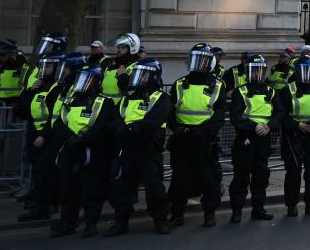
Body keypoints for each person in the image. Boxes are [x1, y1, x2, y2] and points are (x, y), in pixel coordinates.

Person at [50, 65, 120, 238]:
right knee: (67, 189)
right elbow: (59, 123)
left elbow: (102, 127)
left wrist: (82, 139)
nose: (82, 84)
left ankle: (91, 224)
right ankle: (68, 223)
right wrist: (69, 138)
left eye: (87, 80)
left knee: (91, 190)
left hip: (91, 152)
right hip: (70, 149)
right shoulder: (70, 101)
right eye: (81, 79)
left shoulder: (104, 102)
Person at [106, 58, 171, 236]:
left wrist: (129, 129)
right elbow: (114, 120)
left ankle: (160, 220)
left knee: (154, 188)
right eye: (137, 74)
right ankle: (121, 222)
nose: (138, 78)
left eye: (142, 74)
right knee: (122, 188)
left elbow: (152, 122)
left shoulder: (161, 98)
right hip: (127, 149)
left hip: (149, 149)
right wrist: (124, 130)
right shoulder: (127, 99)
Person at [167, 43, 227, 227]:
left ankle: (209, 214)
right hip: (182, 138)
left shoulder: (217, 84)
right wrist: (175, 127)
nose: (198, 64)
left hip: (204, 139)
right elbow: (170, 110)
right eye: (195, 59)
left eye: (202, 60)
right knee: (179, 178)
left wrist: (207, 131)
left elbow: (219, 112)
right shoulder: (179, 83)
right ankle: (177, 214)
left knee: (208, 178)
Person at [16, 49, 66, 222]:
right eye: (44, 66)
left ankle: (44, 206)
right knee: (38, 170)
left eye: (49, 66)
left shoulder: (56, 89)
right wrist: (29, 91)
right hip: (34, 132)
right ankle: (42, 202)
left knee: (44, 172)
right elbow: (20, 110)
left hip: (47, 136)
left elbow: (55, 116)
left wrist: (44, 135)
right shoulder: (40, 85)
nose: (45, 69)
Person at [228, 53, 279, 223]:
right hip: (245, 138)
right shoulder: (240, 91)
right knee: (241, 176)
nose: (257, 74)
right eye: (254, 70)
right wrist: (254, 126)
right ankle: (236, 211)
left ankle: (258, 209)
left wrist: (269, 125)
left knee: (261, 175)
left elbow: (279, 113)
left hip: (263, 138)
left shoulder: (271, 91)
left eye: (260, 70)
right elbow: (236, 116)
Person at [279, 53, 310, 216]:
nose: (307, 74)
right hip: (294, 136)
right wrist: (296, 125)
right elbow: (281, 114)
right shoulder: (288, 89)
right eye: (304, 70)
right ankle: (291, 205)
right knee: (293, 172)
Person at [0, 38, 32, 104]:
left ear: (12, 54)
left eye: (3, 55)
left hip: (17, 104)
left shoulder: (25, 67)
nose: (0, 57)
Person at [100, 33, 141, 102]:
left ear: (132, 47)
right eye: (118, 47)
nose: (119, 50)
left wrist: (122, 77)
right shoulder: (112, 65)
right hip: (106, 107)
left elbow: (134, 93)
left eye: (122, 47)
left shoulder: (137, 67)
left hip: (122, 108)